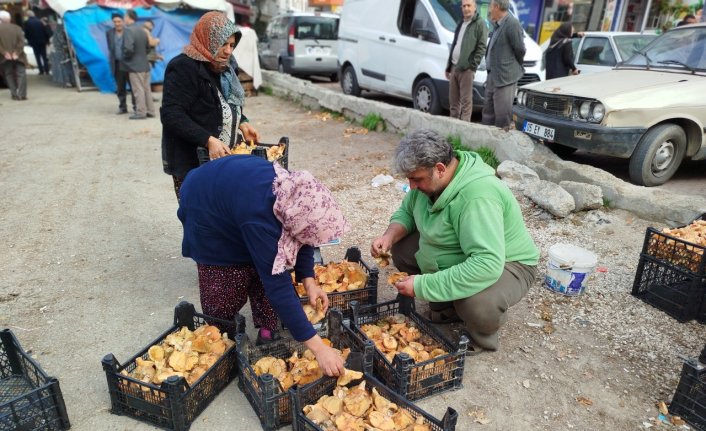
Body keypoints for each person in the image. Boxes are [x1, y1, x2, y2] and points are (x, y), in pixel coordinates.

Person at [178, 154, 350, 375]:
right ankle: (223, 338)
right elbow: (277, 286)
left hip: (235, 193)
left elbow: (305, 235)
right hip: (203, 201)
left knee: (265, 263)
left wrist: (309, 281)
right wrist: (319, 349)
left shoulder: (294, 195)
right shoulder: (260, 218)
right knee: (226, 278)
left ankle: (267, 326)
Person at [370, 129, 539, 354]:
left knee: (476, 303)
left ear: (439, 169)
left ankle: (482, 335)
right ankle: (448, 309)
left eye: (416, 179)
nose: (411, 186)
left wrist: (423, 286)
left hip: (507, 262)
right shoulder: (429, 182)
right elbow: (407, 214)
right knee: (402, 248)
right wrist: (389, 235)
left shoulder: (477, 197)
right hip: (466, 249)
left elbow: (486, 263)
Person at [161, 11, 261, 200]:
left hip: (225, 157)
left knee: (225, 214)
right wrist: (208, 139)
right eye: (223, 44)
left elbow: (228, 101)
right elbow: (171, 114)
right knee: (200, 216)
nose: (228, 51)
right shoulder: (183, 67)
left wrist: (243, 122)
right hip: (193, 160)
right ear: (207, 40)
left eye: (232, 45)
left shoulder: (226, 66)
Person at [481, 0, 526, 130]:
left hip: (505, 78)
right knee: (487, 116)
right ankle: (485, 145)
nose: (489, 9)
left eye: (490, 6)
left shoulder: (512, 24)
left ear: (497, 7)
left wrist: (512, 66)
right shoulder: (497, 24)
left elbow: (520, 50)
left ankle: (499, 149)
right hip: (492, 76)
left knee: (502, 118)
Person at [445, 0, 487, 122]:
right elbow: (455, 45)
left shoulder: (480, 24)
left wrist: (472, 66)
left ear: (474, 7)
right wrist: (448, 67)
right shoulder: (461, 23)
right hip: (454, 67)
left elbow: (482, 47)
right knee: (453, 103)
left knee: (466, 104)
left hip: (467, 70)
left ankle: (463, 134)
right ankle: (452, 130)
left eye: (469, 5)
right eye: (464, 6)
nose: (466, 8)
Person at [122, 9, 155, 120]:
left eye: (124, 17)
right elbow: (147, 48)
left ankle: (141, 112)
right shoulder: (143, 30)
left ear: (128, 17)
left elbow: (128, 49)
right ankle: (150, 111)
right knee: (147, 89)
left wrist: (126, 58)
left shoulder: (128, 31)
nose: (123, 19)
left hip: (135, 66)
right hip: (145, 64)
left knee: (138, 90)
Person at [105, 12, 134, 115]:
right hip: (117, 64)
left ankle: (136, 107)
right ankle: (123, 107)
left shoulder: (129, 32)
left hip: (129, 64)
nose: (117, 23)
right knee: (120, 87)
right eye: (115, 21)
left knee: (133, 86)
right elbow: (110, 48)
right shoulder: (109, 33)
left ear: (123, 21)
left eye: (119, 21)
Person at [0, 10, 28, 101]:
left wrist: (5, 53)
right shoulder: (17, 28)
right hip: (19, 56)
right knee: (21, 74)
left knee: (8, 74)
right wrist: (16, 52)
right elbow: (22, 42)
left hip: (4, 57)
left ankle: (14, 94)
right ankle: (21, 94)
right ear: (10, 19)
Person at [23, 11, 51, 75]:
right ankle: (47, 70)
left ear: (28, 15)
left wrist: (29, 40)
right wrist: (47, 40)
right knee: (44, 56)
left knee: (37, 56)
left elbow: (26, 33)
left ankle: (41, 70)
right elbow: (46, 32)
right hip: (43, 41)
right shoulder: (40, 21)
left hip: (34, 42)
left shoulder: (27, 23)